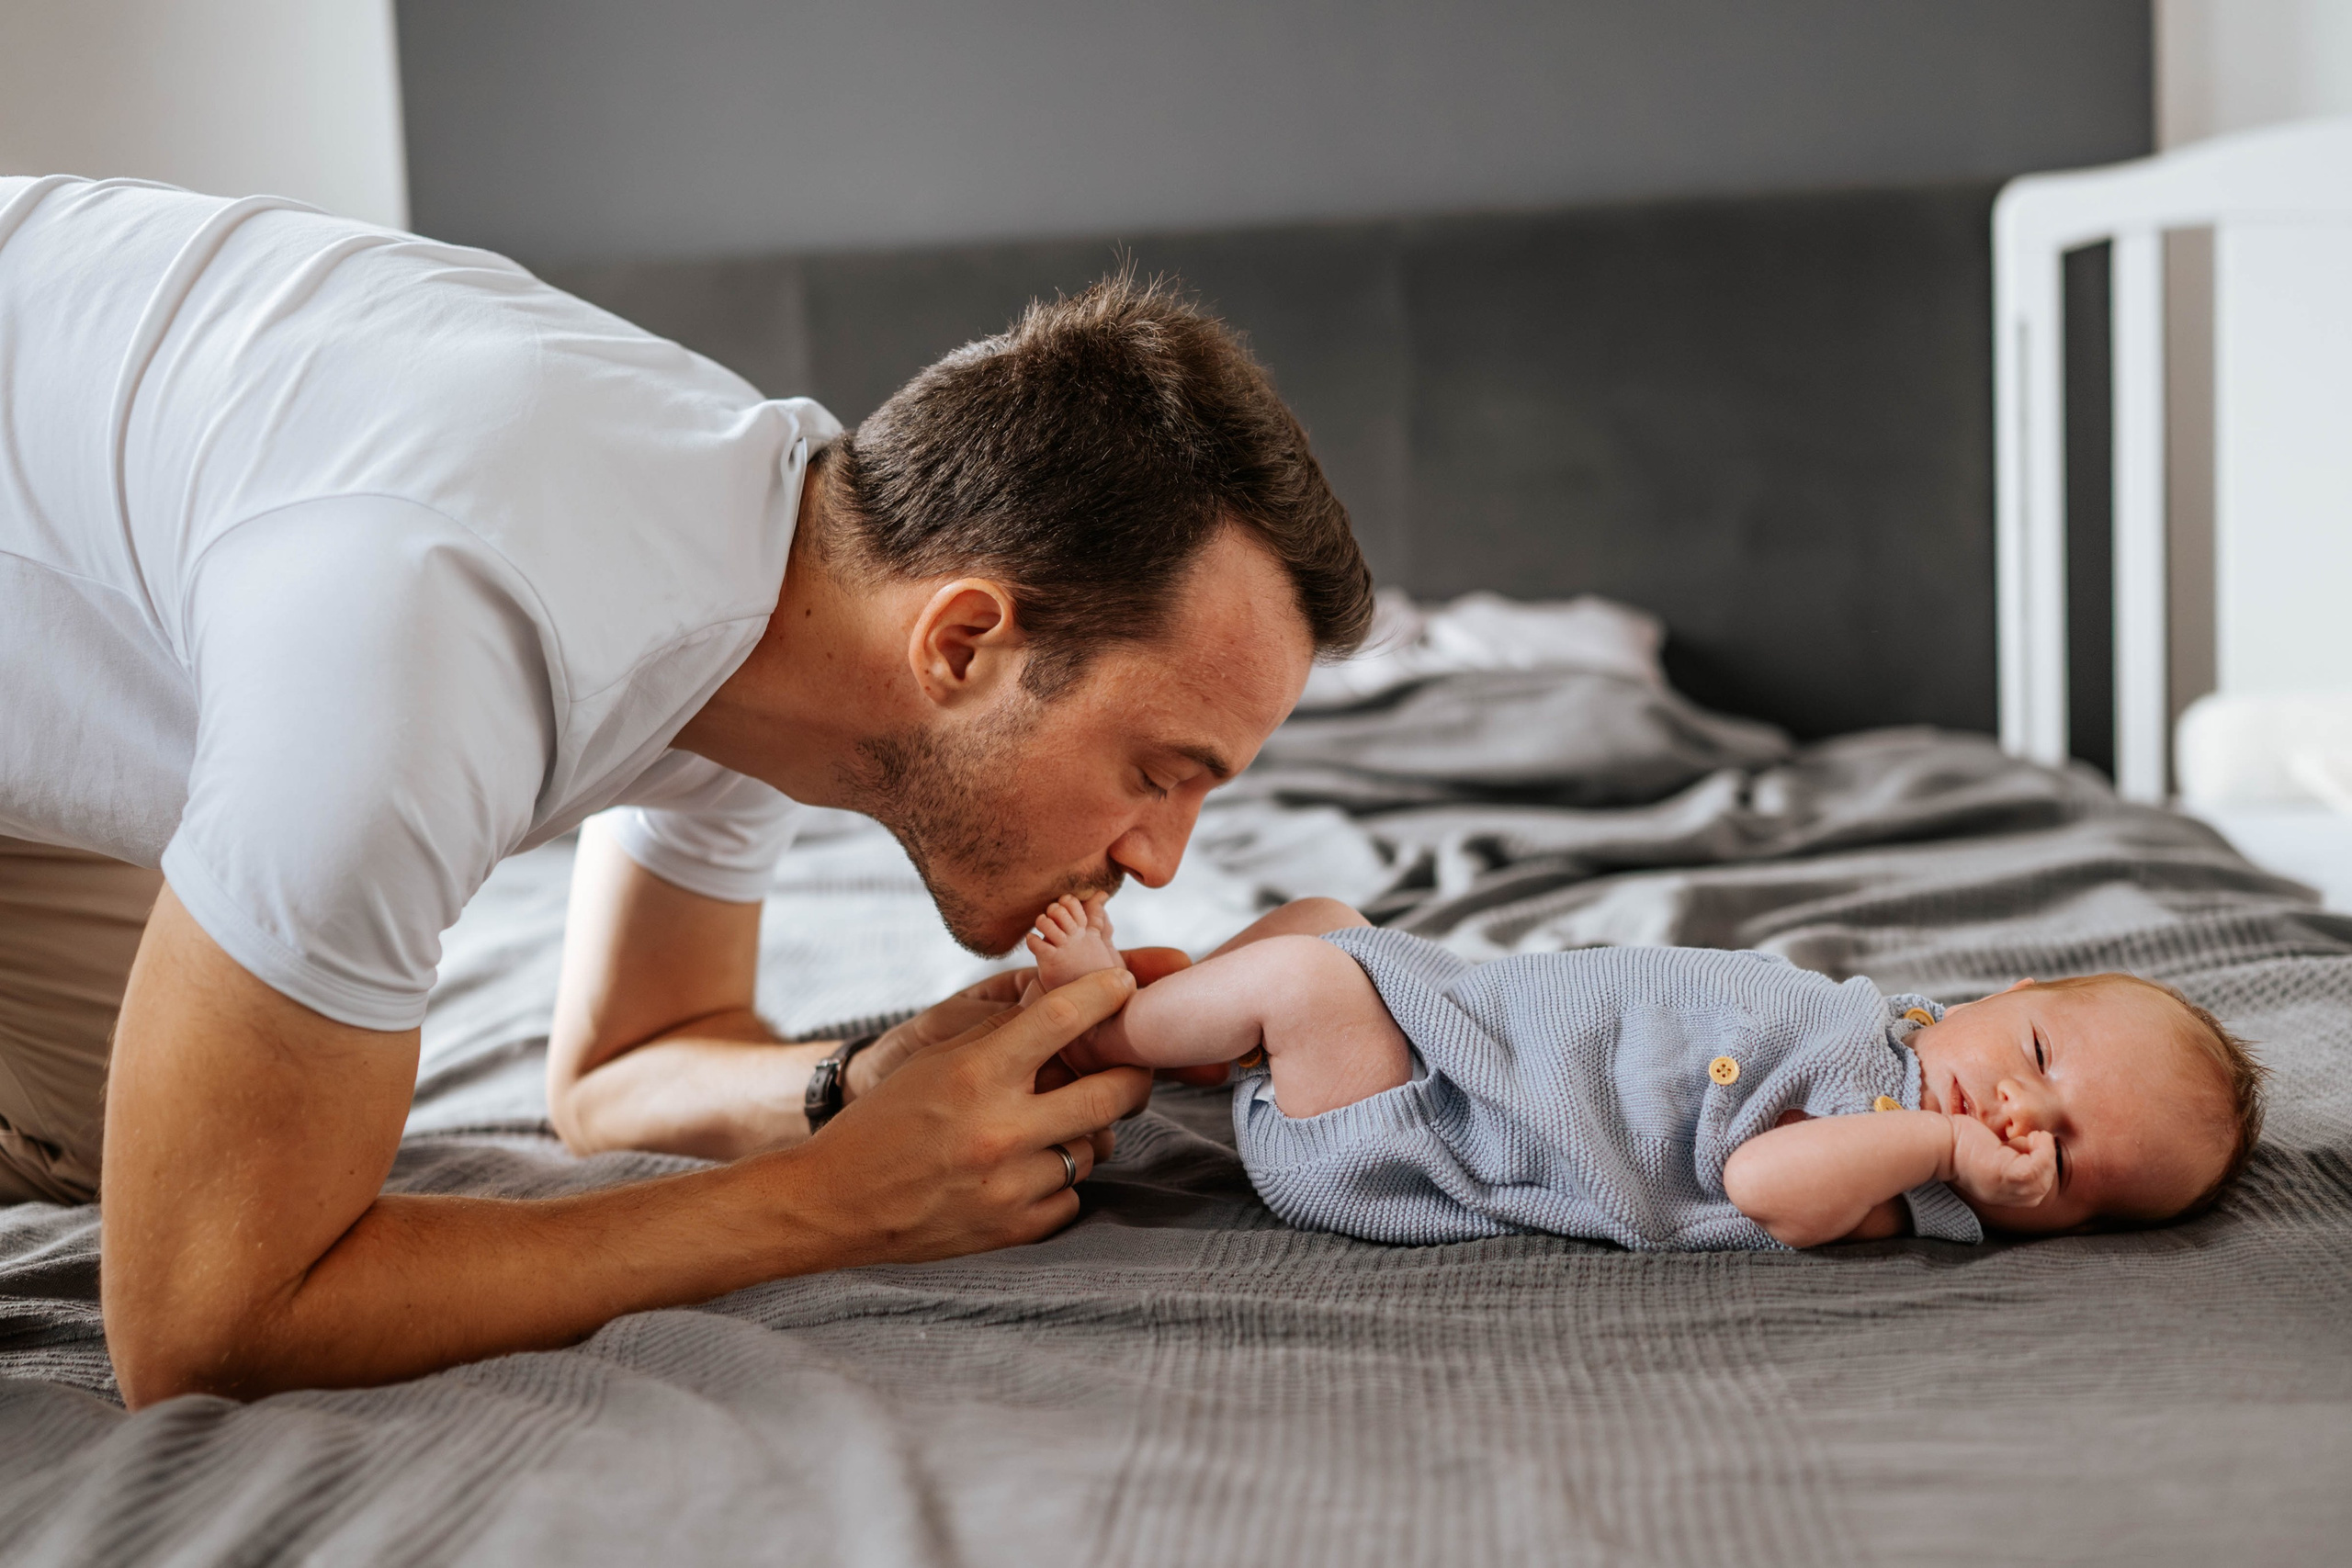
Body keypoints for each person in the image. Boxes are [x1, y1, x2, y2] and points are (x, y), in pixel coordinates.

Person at [0, 175, 1374, 1404]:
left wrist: (857, 1084)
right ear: (963, 643)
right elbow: (197, 1326)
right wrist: (829, 1205)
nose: (1161, 863)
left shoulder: (794, 589)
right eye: (1157, 773)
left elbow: (615, 1075)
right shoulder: (432, 633)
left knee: (100, 1134)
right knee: (206, 1217)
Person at [1022, 892, 2269, 1248]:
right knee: (1321, 921)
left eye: (2065, 1149)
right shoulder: (1885, 1032)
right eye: (2039, 1057)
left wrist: (1946, 1154)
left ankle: (1103, 1032)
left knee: (1304, 985)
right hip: (1462, 1030)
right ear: (2007, 995)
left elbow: (1771, 1183)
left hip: (1419, 1136)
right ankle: (1202, 1043)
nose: (2013, 1111)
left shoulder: (1901, 1178)